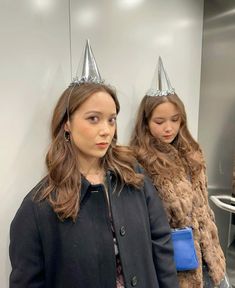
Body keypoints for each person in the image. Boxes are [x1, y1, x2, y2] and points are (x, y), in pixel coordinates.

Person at [9, 42, 179, 288]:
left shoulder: (133, 178)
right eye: (93, 119)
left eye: (111, 120)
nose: (106, 130)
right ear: (67, 123)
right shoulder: (39, 207)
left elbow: (161, 243)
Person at [130, 57, 230, 288]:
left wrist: (213, 248)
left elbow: (204, 207)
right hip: (176, 262)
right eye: (160, 121)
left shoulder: (192, 152)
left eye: (175, 120)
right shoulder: (142, 162)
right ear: (146, 123)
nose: (168, 128)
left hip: (210, 254)